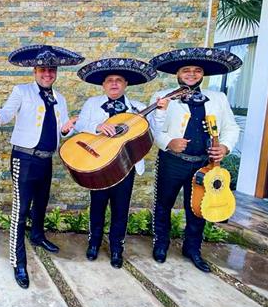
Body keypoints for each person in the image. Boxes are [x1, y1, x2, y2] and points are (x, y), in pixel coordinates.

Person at [0, 45, 83, 289]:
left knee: (41, 203)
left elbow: (62, 127)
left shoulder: (59, 97)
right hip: (24, 158)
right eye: (43, 69)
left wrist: (67, 128)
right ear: (34, 70)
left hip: (46, 158)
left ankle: (38, 236)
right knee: (20, 210)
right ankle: (17, 260)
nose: (47, 74)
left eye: (51, 70)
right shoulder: (22, 91)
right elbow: (6, 115)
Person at [148, 47, 241, 272]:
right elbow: (153, 128)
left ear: (203, 74)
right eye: (186, 70)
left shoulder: (218, 98)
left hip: (203, 163)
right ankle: (161, 244)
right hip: (172, 160)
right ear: (177, 73)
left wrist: (225, 148)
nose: (192, 74)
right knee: (164, 204)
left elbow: (231, 127)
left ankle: (192, 248)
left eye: (197, 70)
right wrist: (168, 142)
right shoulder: (163, 97)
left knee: (198, 207)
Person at [75, 57, 157, 268]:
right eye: (109, 80)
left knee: (121, 209)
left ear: (125, 84)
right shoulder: (92, 104)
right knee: (97, 206)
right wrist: (98, 126)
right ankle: (93, 243)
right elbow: (80, 126)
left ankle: (116, 248)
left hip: (125, 167)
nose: (114, 83)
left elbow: (151, 133)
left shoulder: (138, 109)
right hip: (98, 166)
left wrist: (160, 113)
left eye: (118, 80)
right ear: (103, 85)